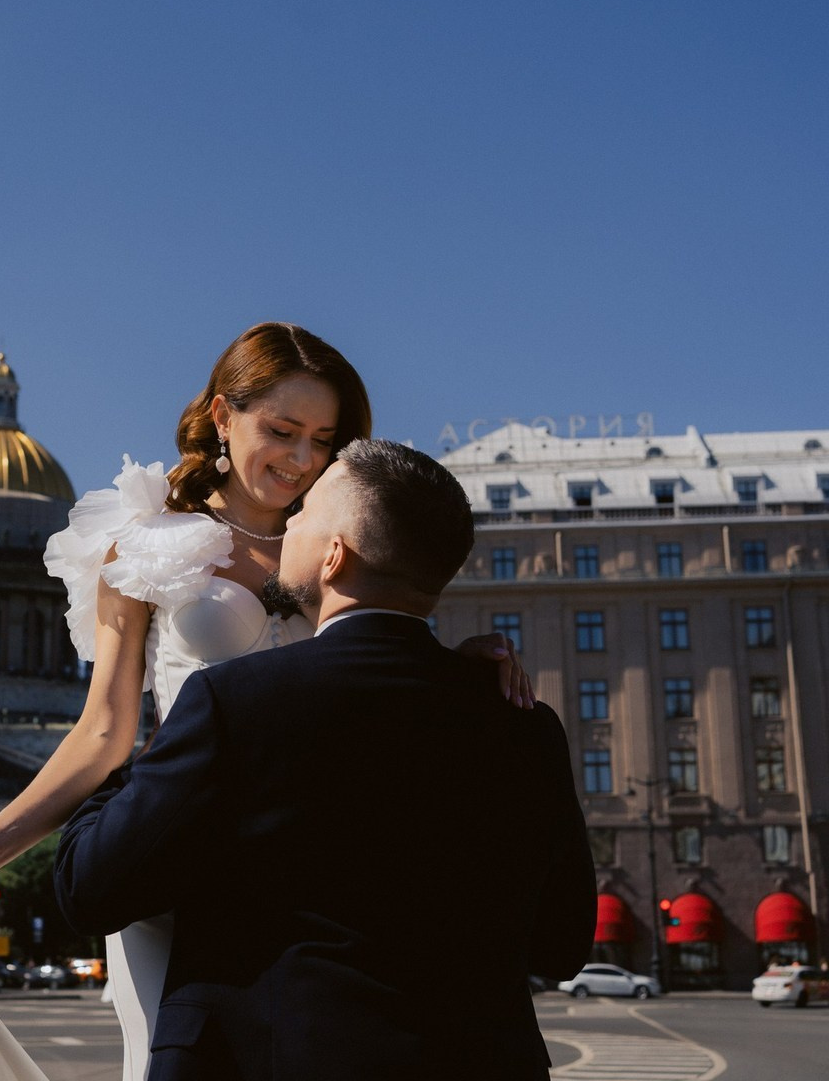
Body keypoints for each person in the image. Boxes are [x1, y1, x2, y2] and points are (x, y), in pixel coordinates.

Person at [0, 324, 533, 1080]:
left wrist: (455, 667)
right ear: (223, 416)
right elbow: (104, 732)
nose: (302, 459)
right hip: (184, 854)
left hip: (319, 871)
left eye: (323, 440)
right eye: (283, 431)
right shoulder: (145, 544)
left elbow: (376, 668)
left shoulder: (345, 540)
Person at [55, 439, 596, 1080]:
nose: (289, 524)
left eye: (305, 513)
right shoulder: (526, 727)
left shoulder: (237, 704)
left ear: (335, 555)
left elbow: (91, 888)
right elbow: (561, 946)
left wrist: (135, 761)